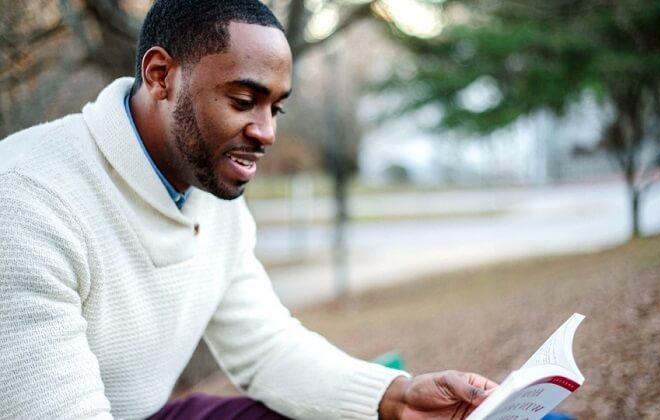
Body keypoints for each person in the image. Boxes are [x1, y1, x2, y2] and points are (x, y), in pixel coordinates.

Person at [0, 0, 497, 418]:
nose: (267, 133)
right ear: (159, 76)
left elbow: (266, 349)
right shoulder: (28, 200)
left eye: (275, 108)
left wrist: (395, 398)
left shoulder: (209, 191)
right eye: (243, 100)